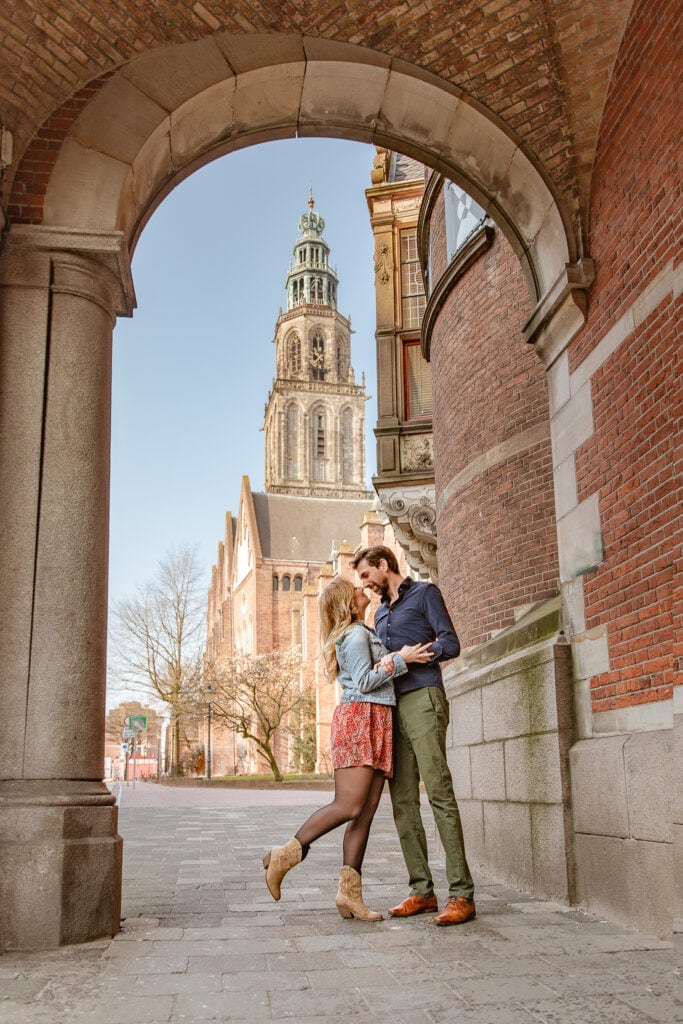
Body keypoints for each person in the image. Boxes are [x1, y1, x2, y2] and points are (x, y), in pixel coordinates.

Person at [262, 576, 433, 920]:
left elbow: (371, 674)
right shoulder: (354, 634)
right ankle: (285, 854)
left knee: (366, 812)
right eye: (354, 588)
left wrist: (398, 656)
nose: (361, 588)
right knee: (349, 805)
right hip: (360, 719)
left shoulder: (361, 631)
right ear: (345, 601)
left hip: (376, 720)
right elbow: (367, 681)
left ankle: (349, 895)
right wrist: (402, 659)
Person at [351, 545, 476, 926]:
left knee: (439, 793)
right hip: (392, 709)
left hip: (424, 698)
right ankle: (422, 891)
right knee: (402, 801)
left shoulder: (424, 594)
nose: (364, 582)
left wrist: (422, 654)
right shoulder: (381, 613)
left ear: (384, 565)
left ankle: (461, 894)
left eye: (365, 574)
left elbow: (450, 643)